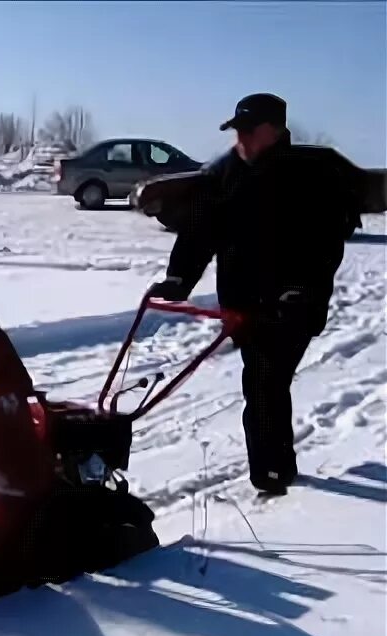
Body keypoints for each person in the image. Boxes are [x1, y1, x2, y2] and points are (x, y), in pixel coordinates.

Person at [148, 93, 361, 496]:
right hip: (244, 303)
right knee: (263, 382)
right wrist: (178, 278)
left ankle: (273, 474)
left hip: (292, 305)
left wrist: (301, 290)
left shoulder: (308, 174)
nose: (240, 138)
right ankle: (276, 466)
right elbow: (199, 233)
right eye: (236, 131)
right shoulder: (224, 173)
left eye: (248, 130)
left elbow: (325, 243)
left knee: (265, 382)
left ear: (274, 130)